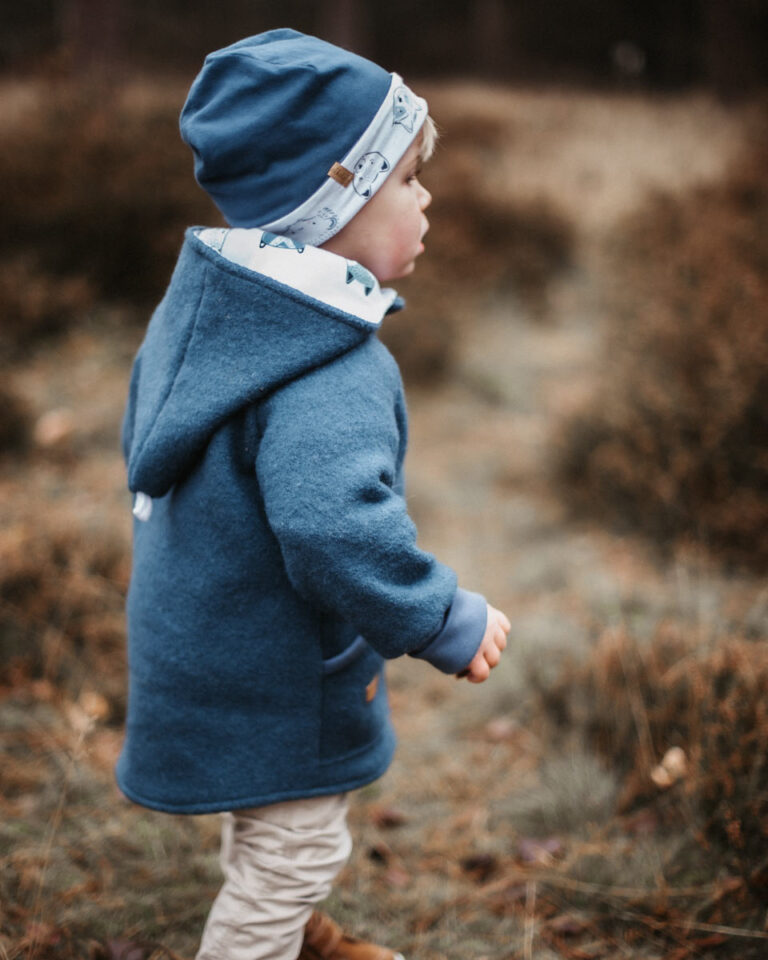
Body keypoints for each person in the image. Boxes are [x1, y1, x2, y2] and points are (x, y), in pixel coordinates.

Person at [117, 28, 511, 960]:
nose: (426, 201)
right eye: (406, 181)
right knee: (296, 850)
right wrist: (439, 616)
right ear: (335, 199)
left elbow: (144, 442)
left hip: (200, 646)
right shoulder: (327, 367)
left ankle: (295, 939)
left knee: (266, 822)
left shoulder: (207, 311)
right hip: (275, 675)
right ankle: (262, 940)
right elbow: (333, 527)